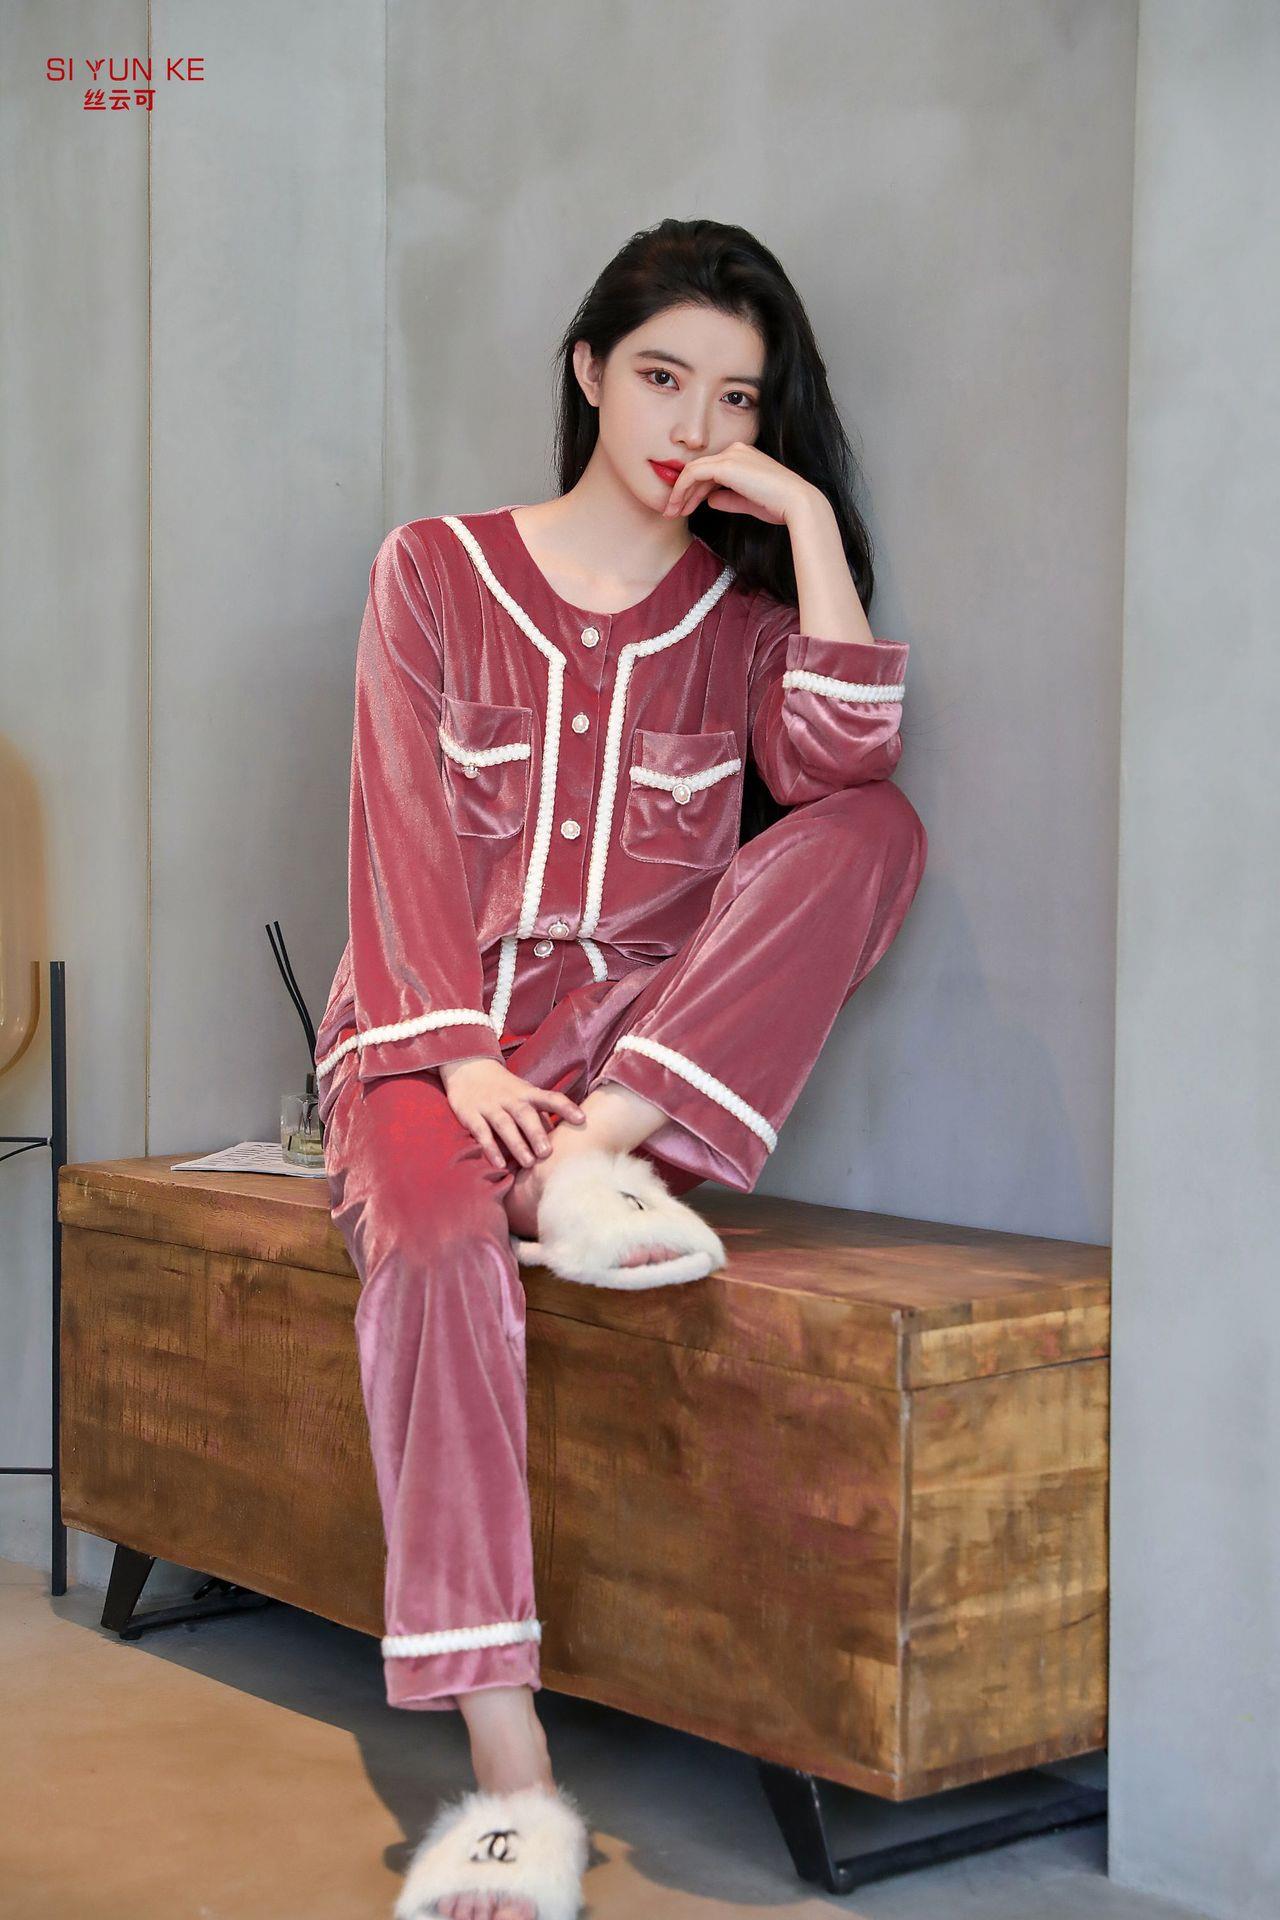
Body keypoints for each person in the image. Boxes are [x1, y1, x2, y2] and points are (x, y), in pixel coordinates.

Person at [315, 216, 928, 1920]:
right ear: (589, 370)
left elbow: (843, 768)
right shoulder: (434, 571)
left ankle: (595, 1160)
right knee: (435, 1242)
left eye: (736, 401)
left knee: (875, 828)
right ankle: (511, 1781)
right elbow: (396, 824)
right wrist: (449, 1054)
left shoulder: (740, 624)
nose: (691, 427)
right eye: (662, 378)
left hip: (619, 1068)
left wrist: (806, 525)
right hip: (432, 1042)